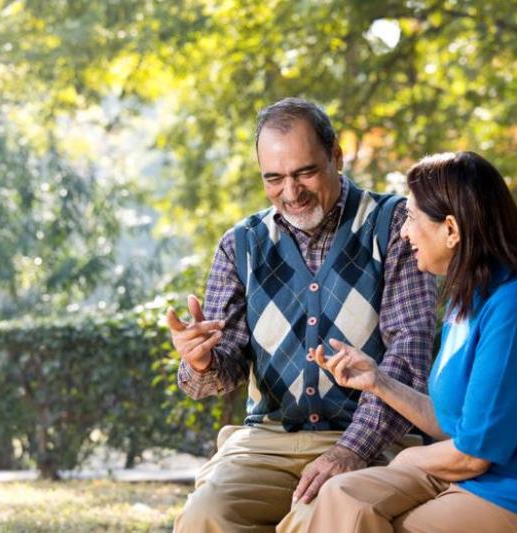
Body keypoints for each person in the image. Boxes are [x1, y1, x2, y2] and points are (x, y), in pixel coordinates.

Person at [299, 151, 517, 533]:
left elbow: (474, 452)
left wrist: (406, 461)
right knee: (342, 495)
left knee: (396, 524)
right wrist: (378, 381)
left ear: (451, 229)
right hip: (480, 475)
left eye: (412, 218)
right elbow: (458, 424)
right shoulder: (470, 297)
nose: (403, 232)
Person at [167, 97, 438, 532]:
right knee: (206, 515)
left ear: (336, 156)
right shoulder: (241, 244)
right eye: (273, 178)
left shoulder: (394, 226)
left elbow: (409, 357)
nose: (290, 193)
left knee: (319, 518)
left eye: (305, 172)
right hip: (268, 441)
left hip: (373, 440)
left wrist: (351, 448)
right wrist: (200, 362)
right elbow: (223, 370)